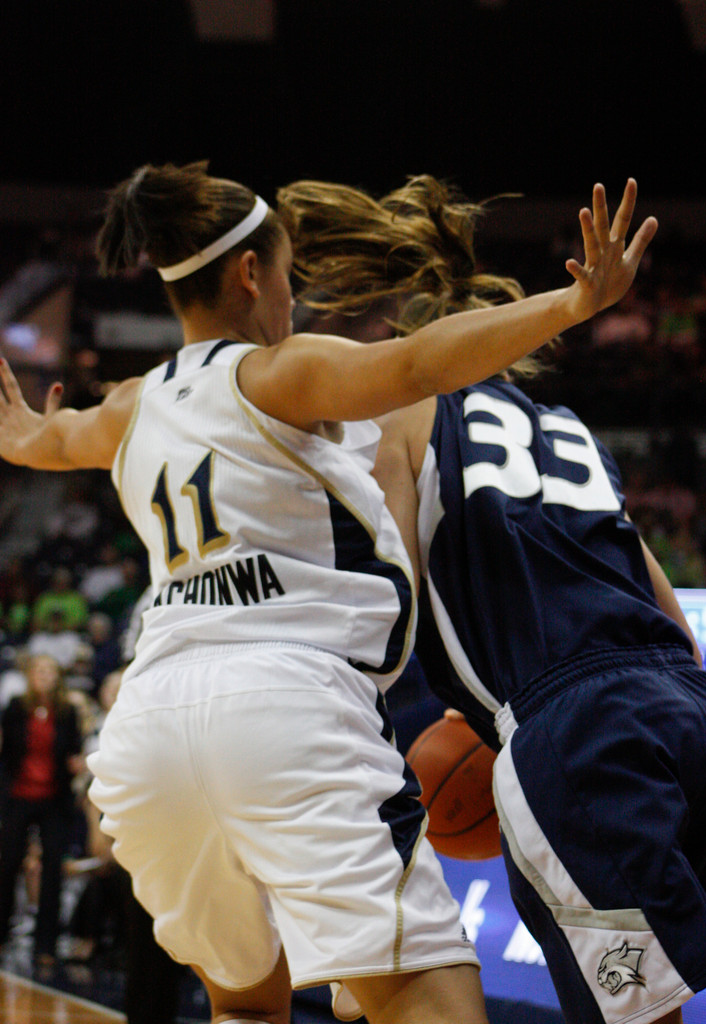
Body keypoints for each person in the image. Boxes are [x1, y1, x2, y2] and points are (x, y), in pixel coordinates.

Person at [0, 160, 655, 1024]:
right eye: (284, 273)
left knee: (245, 1001)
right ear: (250, 272)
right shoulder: (279, 370)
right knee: (431, 994)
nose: (289, 295)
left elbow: (45, 442)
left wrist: (18, 433)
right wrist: (571, 306)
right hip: (287, 705)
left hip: (149, 730)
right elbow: (421, 360)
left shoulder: (130, 404)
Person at [276, 173, 706, 1024]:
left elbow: (391, 596)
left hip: (577, 729)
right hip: (699, 718)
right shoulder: (571, 432)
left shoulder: (405, 412)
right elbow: (678, 625)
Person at [0, 653, 84, 964]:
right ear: (30, 674)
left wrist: (76, 763)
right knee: (8, 865)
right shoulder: (15, 708)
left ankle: (45, 945)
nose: (44, 675)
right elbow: (7, 753)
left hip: (53, 799)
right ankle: (2, 934)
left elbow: (74, 751)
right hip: (19, 795)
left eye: (50, 670)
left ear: (57, 676)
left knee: (52, 872)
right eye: (39, 670)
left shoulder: (67, 712)